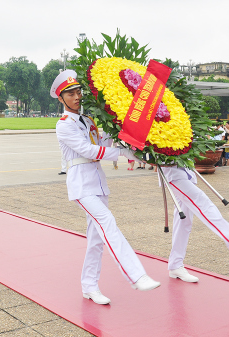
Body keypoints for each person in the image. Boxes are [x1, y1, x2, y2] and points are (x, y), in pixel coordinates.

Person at [50, 69, 160, 305]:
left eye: (78, 91)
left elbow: (100, 143)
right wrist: (121, 152)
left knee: (96, 239)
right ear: (61, 98)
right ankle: (136, 275)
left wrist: (117, 129)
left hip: (98, 182)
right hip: (81, 184)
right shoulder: (64, 125)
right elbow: (88, 151)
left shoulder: (88, 120)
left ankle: (89, 286)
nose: (77, 96)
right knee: (107, 221)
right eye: (70, 94)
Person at [160, 166, 229, 283]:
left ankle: (175, 265)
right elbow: (135, 149)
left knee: (184, 221)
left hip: (185, 171)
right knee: (201, 201)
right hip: (172, 172)